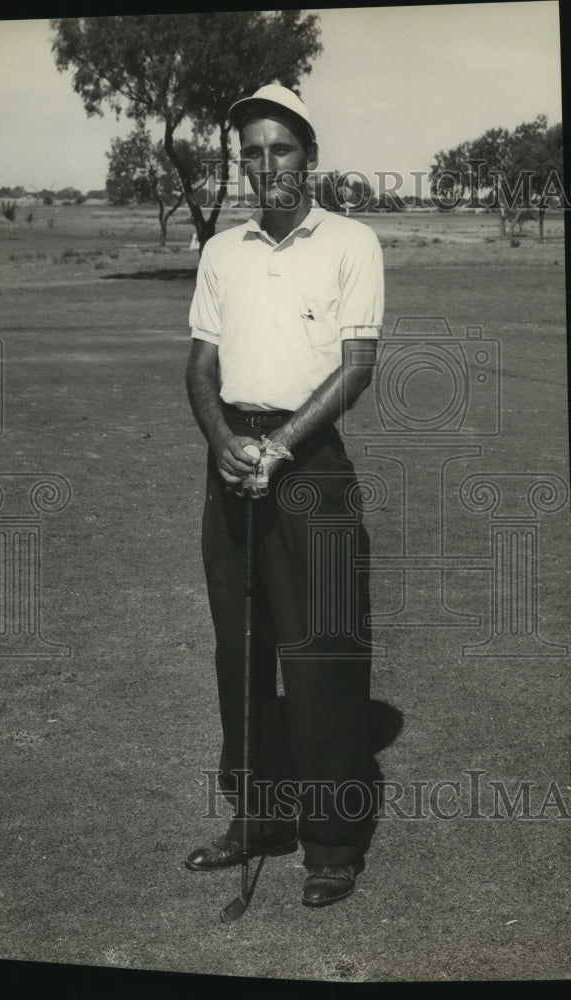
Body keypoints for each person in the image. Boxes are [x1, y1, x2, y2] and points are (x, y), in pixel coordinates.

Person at [184, 84, 383, 908]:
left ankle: (332, 841)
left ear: (310, 155)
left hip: (312, 468)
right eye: (253, 153)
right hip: (232, 463)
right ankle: (259, 817)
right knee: (242, 651)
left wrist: (281, 444)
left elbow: (357, 365)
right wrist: (224, 440)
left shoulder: (351, 242)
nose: (267, 165)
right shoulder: (222, 252)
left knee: (323, 649)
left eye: (282, 148)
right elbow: (200, 365)